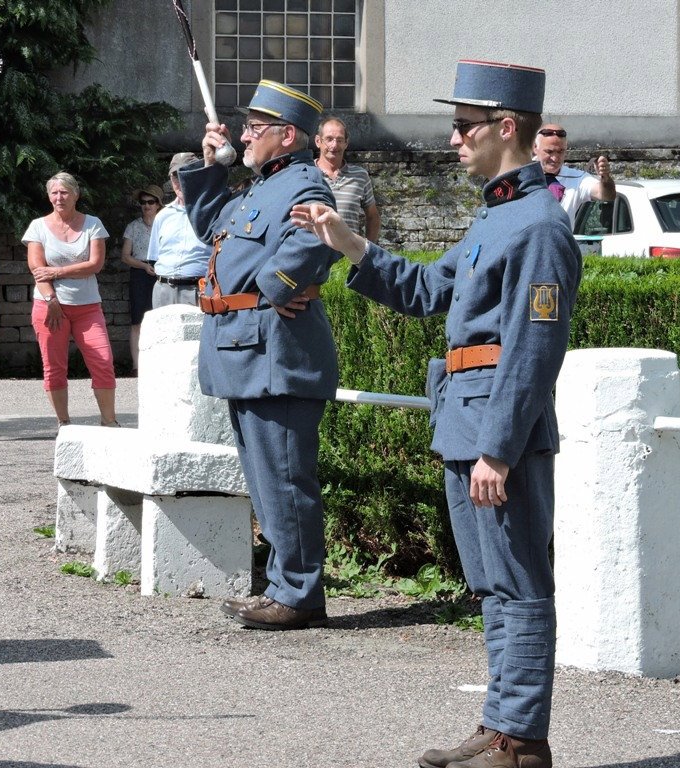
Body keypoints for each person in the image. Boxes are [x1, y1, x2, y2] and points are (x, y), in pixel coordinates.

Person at [291, 60, 581, 768]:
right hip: (465, 420)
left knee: (519, 583)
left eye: (462, 126)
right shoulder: (497, 214)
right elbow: (427, 290)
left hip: (496, 433)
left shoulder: (540, 224)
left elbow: (533, 349)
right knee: (492, 585)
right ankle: (500, 725)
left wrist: (499, 449)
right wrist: (350, 243)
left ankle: (522, 740)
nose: (453, 139)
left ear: (504, 127)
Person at [179, 80, 339, 631]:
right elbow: (211, 227)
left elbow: (315, 241)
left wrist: (273, 289)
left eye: (253, 128)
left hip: (277, 354)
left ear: (287, 135)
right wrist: (211, 166)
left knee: (285, 481)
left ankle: (299, 593)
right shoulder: (260, 187)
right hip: (246, 353)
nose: (243, 136)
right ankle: (285, 587)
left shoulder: (305, 183)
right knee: (267, 482)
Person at [23, 172, 118, 429]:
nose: (59, 197)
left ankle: (109, 421)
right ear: (48, 196)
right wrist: (51, 299)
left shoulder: (93, 224)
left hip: (87, 307)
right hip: (49, 306)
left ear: (76, 194)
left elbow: (95, 265)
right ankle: (64, 423)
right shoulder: (38, 226)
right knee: (54, 366)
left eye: (64, 192)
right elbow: (37, 269)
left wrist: (56, 272)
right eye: (54, 192)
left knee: (103, 361)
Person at [147, 153, 209, 309]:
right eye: (175, 176)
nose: (180, 180)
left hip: (198, 289)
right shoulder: (162, 216)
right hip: (163, 290)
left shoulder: (212, 212)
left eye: (186, 173)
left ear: (198, 176)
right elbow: (154, 258)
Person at [120, 183, 164, 375]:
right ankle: (136, 366)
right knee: (137, 319)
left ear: (158, 204)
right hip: (140, 272)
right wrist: (144, 266)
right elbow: (125, 256)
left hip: (162, 271)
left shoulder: (165, 224)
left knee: (161, 317)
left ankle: (159, 364)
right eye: (143, 202)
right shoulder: (133, 226)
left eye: (151, 202)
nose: (146, 205)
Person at [314, 116, 381, 241]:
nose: (334, 145)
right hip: (314, 251)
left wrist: (368, 249)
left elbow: (373, 216)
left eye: (339, 140)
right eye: (329, 139)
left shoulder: (360, 176)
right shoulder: (305, 174)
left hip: (348, 251)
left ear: (346, 143)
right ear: (318, 141)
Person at [533, 123, 615, 224]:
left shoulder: (577, 178)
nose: (555, 158)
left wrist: (605, 178)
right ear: (535, 147)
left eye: (560, 151)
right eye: (549, 151)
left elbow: (606, 195)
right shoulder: (520, 174)